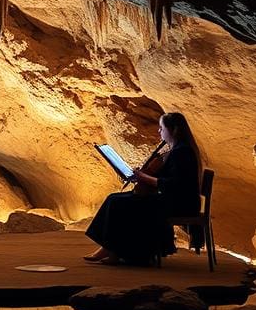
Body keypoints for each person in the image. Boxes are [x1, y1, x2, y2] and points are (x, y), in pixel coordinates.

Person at [85, 112, 203, 265]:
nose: (159, 131)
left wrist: (143, 177)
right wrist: (141, 175)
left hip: (181, 204)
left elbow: (172, 185)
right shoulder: (178, 150)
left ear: (173, 130)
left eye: (162, 128)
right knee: (115, 198)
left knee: (119, 203)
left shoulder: (182, 152)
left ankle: (113, 250)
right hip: (174, 200)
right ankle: (112, 249)